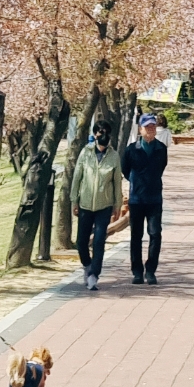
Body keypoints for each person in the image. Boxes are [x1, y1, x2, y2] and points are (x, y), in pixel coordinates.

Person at [69, 115, 122, 289]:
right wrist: (74, 200)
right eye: (100, 133)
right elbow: (77, 176)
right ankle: (87, 265)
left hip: (104, 206)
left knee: (99, 240)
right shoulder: (86, 152)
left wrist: (117, 205)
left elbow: (117, 182)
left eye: (106, 133)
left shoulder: (114, 156)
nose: (103, 136)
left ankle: (94, 275)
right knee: (81, 242)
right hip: (85, 204)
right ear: (95, 134)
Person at [121, 110, 169, 283]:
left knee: (155, 234)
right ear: (140, 129)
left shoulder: (161, 149)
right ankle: (137, 271)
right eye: (147, 126)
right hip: (136, 199)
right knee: (136, 235)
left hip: (155, 198)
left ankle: (151, 270)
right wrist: (136, 182)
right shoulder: (131, 150)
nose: (150, 129)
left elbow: (162, 167)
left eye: (153, 126)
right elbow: (125, 170)